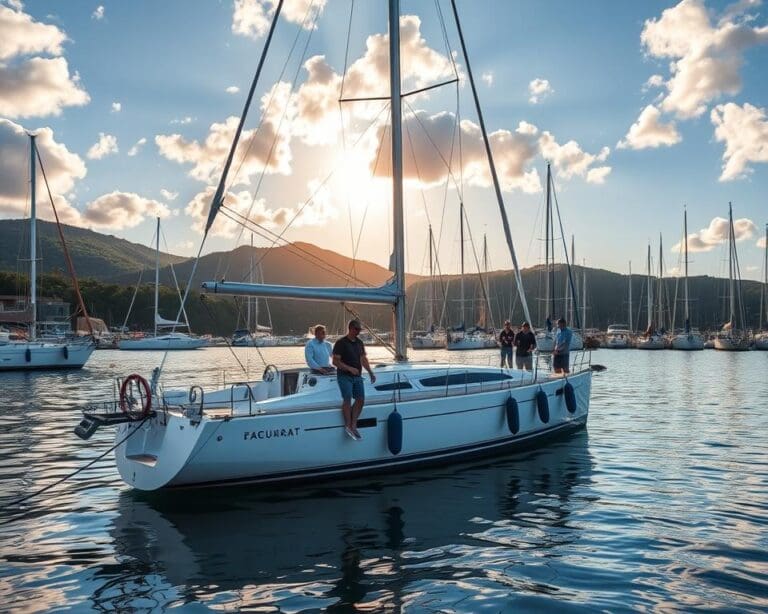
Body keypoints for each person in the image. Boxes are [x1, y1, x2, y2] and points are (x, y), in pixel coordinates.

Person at [332, 319, 376, 440]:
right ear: (350, 328)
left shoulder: (359, 343)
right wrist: (349, 368)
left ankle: (353, 424)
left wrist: (371, 372)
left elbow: (363, 359)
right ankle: (348, 425)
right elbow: (335, 361)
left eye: (359, 330)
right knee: (347, 398)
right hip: (344, 376)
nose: (358, 332)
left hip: (357, 376)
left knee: (360, 399)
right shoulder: (341, 343)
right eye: (356, 329)